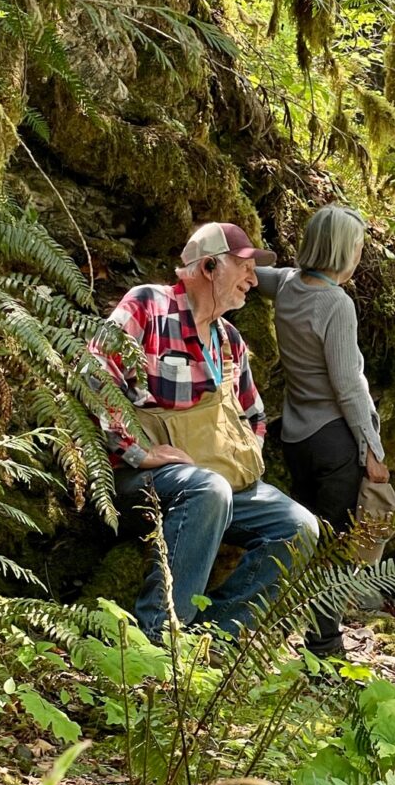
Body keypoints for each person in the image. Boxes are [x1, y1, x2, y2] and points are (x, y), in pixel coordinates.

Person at [96, 222, 320, 640]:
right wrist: (136, 453)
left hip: (217, 483)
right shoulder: (148, 305)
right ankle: (161, 639)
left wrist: (239, 453)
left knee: (300, 527)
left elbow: (254, 415)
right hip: (140, 480)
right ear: (210, 266)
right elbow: (95, 376)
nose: (253, 280)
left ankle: (212, 637)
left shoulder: (229, 340)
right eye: (244, 266)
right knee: (208, 489)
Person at [254, 205, 390, 657]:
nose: (358, 256)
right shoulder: (336, 303)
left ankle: (296, 633)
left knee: (309, 539)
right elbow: (348, 385)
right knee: (332, 548)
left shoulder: (287, 284)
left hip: (296, 437)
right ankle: (324, 648)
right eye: (357, 248)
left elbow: (254, 273)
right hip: (334, 439)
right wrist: (372, 448)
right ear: (342, 250)